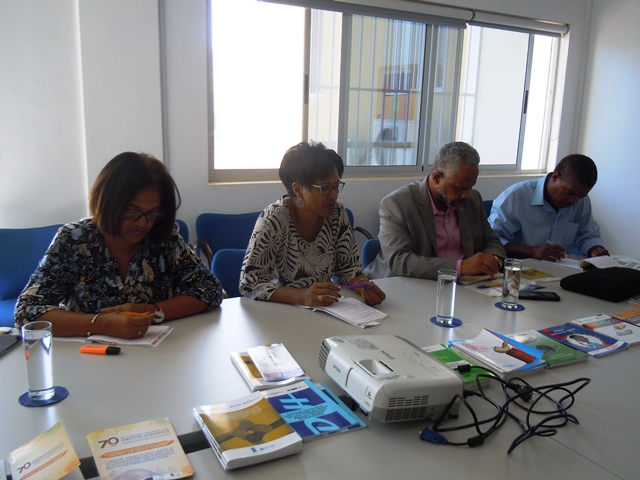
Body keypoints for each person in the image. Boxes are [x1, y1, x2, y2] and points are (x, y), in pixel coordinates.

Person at [15, 152, 223, 338]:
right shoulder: (74, 239)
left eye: (152, 213)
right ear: (108, 203)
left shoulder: (165, 240)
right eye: (132, 212)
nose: (143, 223)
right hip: (87, 356)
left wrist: (153, 311)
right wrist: (101, 324)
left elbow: (211, 289)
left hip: (156, 355)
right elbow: (27, 311)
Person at [239, 141, 385, 307]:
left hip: (324, 308)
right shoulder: (273, 219)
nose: (334, 195)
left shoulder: (337, 213)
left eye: (336, 186)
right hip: (280, 310)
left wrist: (363, 286)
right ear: (298, 190)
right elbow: (250, 283)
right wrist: (303, 296)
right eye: (325, 188)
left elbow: (349, 268)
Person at [365, 141, 506, 280]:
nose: (467, 195)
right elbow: (399, 260)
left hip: (463, 285)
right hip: (404, 284)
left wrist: (492, 261)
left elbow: (492, 241)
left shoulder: (473, 200)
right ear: (437, 178)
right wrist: (460, 267)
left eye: (471, 187)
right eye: (459, 188)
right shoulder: (397, 204)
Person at [488, 154, 608, 261]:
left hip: (562, 269)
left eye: (580, 196)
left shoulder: (581, 201)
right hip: (521, 268)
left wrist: (595, 249)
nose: (573, 201)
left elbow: (588, 235)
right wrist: (532, 251)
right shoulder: (515, 197)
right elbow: (492, 241)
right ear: (555, 177)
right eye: (569, 193)